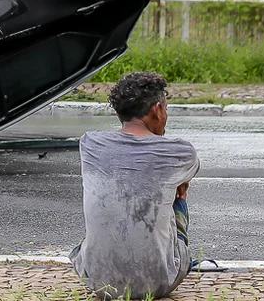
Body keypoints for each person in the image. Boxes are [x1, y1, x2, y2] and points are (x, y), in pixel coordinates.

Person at [69, 72, 200, 300]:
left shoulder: (89, 143)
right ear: (157, 110)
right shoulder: (181, 152)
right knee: (177, 197)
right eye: (166, 109)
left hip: (98, 281)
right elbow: (182, 179)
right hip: (158, 282)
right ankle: (170, 256)